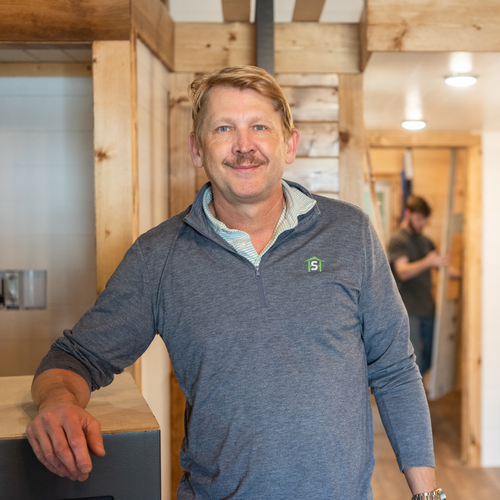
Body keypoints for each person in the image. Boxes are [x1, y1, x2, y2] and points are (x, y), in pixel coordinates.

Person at [26, 66, 445, 500]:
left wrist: (427, 496)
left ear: (289, 145)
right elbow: (74, 358)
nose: (244, 145)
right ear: (196, 149)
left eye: (259, 127)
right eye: (224, 128)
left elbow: (394, 370)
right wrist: (58, 401)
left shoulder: (349, 233)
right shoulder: (158, 257)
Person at [388, 195, 453, 376]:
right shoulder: (398, 240)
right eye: (418, 219)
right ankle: (415, 390)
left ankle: (419, 386)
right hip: (409, 311)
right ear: (407, 214)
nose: (422, 223)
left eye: (425, 220)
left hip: (428, 309)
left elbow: (442, 267)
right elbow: (402, 271)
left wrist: (468, 273)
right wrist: (428, 262)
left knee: (431, 357)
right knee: (413, 360)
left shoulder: (426, 241)